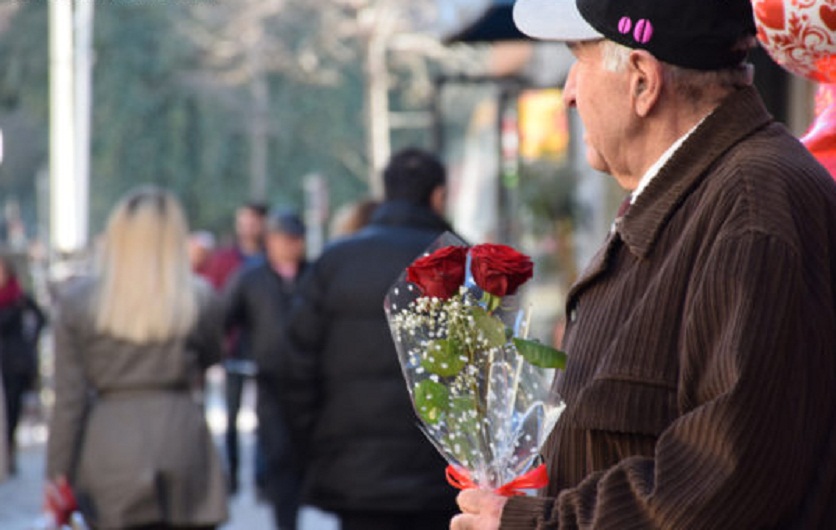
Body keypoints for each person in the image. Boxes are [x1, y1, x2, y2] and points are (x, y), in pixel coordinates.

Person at [448, 0, 836, 528]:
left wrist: (528, 524)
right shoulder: (703, 192)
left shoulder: (751, 206)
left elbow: (722, 485)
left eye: (577, 60)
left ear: (642, 82)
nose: (567, 93)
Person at [281, 147, 458, 530]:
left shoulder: (335, 260)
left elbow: (295, 368)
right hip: (440, 478)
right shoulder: (464, 261)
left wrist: (315, 446)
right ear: (439, 195)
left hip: (356, 475)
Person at [46, 187, 228, 529]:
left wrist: (57, 474)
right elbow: (211, 356)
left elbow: (69, 400)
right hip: (181, 435)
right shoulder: (200, 299)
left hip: (110, 440)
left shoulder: (80, 303)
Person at [223, 210, 308, 530]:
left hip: (308, 382)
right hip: (269, 379)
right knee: (276, 451)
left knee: (300, 455)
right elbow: (225, 316)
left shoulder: (313, 276)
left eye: (295, 239)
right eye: (284, 239)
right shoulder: (251, 278)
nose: (290, 246)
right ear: (270, 241)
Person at [203, 201, 267, 494]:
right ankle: (232, 474)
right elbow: (214, 300)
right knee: (232, 412)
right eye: (244, 220)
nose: (249, 226)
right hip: (235, 346)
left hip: (265, 344)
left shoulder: (270, 256)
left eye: (254, 220)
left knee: (267, 414)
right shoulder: (225, 259)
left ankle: (262, 476)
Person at [0, 255, 46, 476]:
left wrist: (30, 340)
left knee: (12, 410)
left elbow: (40, 317)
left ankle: (9, 453)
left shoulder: (18, 297)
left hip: (14, 363)